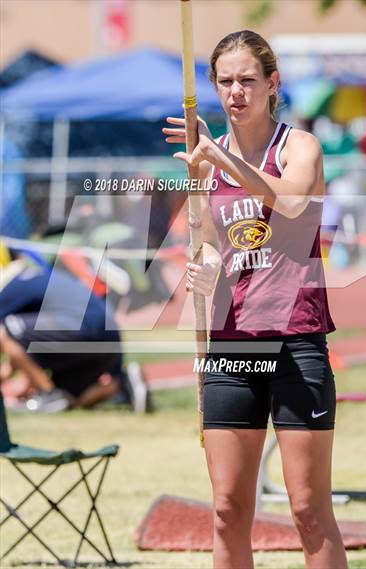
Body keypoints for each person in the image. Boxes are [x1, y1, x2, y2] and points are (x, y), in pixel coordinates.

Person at [163, 30, 348, 569]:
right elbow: (216, 246)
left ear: (273, 84)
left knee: (309, 509)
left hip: (296, 341)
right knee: (226, 509)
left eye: (248, 80)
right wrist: (206, 270)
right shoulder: (205, 163)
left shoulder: (300, 147)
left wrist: (220, 156)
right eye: (225, 81)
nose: (235, 92)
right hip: (231, 345)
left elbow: (290, 203)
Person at [0, 257, 147, 412]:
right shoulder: (41, 276)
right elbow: (26, 348)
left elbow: (9, 339)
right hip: (108, 339)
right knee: (70, 399)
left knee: (6, 330)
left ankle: (49, 395)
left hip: (79, 329)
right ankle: (120, 385)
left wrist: (11, 377)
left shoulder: (14, 285)